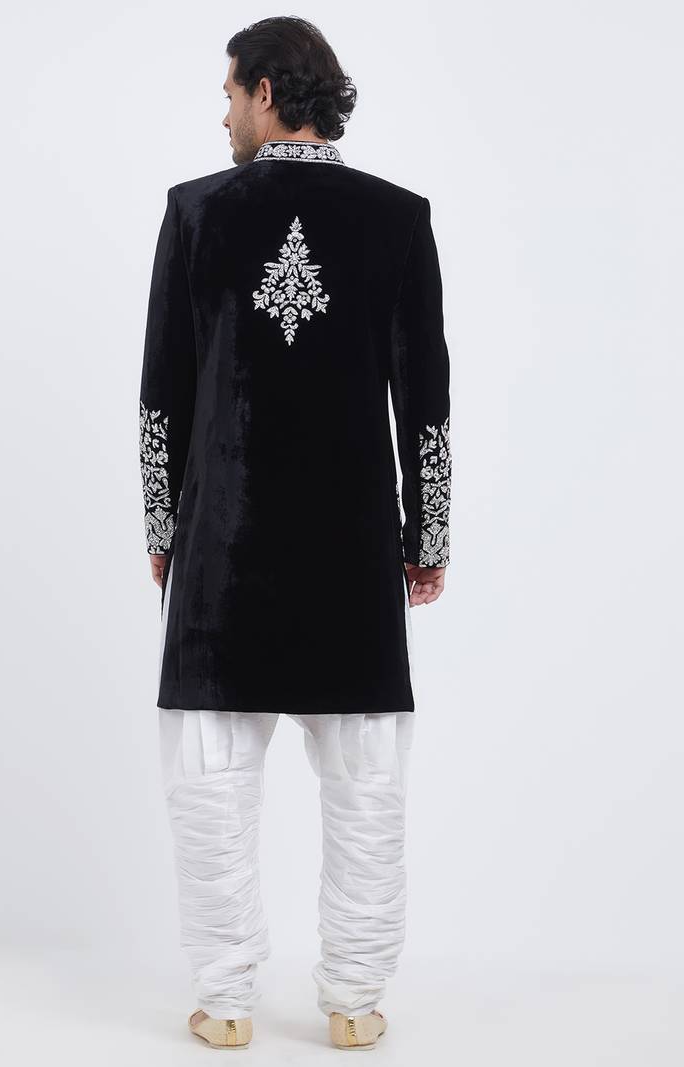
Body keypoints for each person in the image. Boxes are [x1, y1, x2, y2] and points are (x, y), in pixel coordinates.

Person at [138, 16, 452, 1051]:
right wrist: (428, 537)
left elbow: (161, 394)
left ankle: (226, 1000)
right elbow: (427, 402)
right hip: (352, 552)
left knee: (211, 783)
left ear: (267, 91)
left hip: (221, 552)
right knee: (366, 785)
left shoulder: (196, 212)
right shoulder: (397, 218)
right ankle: (353, 1002)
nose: (224, 111)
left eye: (230, 92)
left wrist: (161, 527)